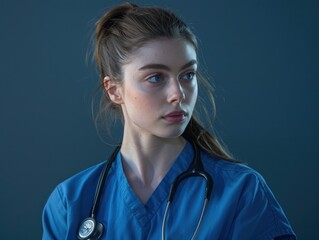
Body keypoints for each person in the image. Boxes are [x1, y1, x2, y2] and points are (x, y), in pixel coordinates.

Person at [42, 2, 296, 239]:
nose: (179, 94)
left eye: (187, 75)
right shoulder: (70, 202)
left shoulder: (241, 192)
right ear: (113, 89)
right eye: (156, 78)